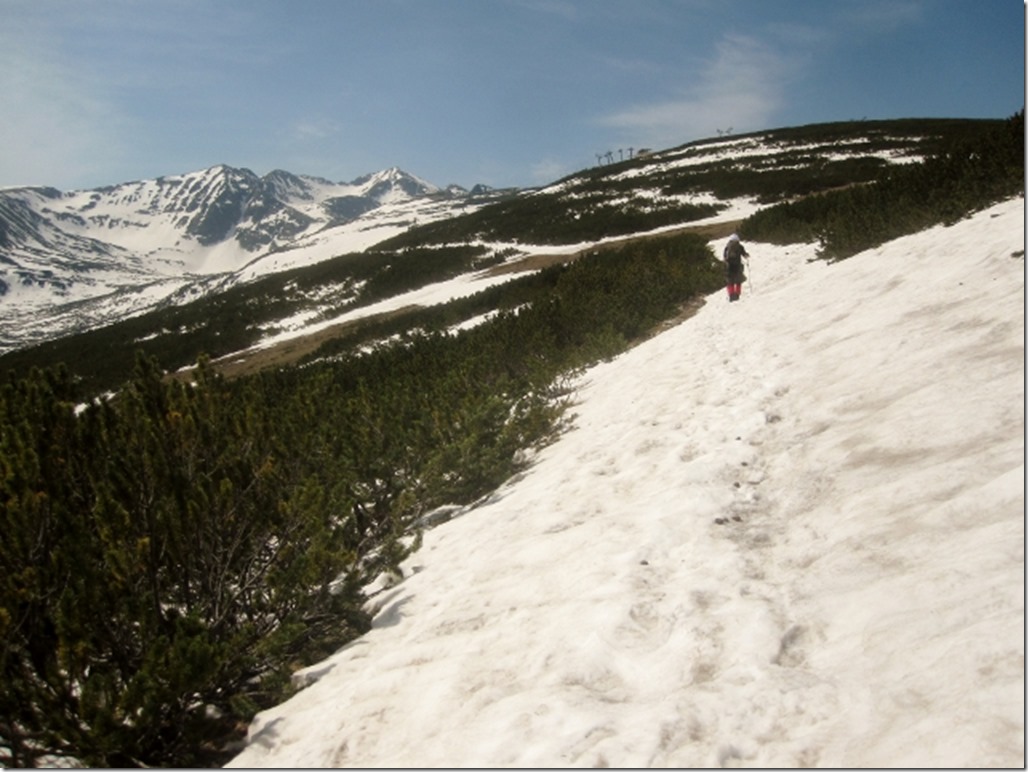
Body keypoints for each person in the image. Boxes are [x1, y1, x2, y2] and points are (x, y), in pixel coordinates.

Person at [723, 233, 748, 302]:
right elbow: (744, 254)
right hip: (737, 265)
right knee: (738, 280)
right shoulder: (739, 246)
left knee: (730, 281)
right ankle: (737, 294)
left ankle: (731, 295)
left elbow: (724, 257)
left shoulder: (727, 247)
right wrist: (746, 255)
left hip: (729, 266)